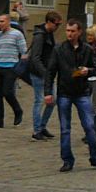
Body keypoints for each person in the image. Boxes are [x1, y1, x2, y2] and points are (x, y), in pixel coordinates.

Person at [43, 19, 96, 172]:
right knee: (65, 128)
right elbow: (50, 72)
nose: (70, 34)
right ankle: (67, 160)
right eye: (68, 31)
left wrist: (88, 71)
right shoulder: (59, 49)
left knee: (90, 126)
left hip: (82, 92)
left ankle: (95, 158)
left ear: (79, 32)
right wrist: (47, 92)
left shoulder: (86, 49)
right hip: (64, 92)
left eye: (73, 31)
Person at [0, 14, 26, 129]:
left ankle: (17, 110)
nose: (0, 23)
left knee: (7, 92)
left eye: (2, 21)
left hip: (11, 66)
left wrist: (20, 67)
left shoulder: (17, 34)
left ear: (8, 22)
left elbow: (24, 51)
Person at [29, 11, 62, 140]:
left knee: (52, 101)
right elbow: (35, 58)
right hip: (38, 73)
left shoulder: (49, 34)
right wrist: (45, 73)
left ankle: (42, 126)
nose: (57, 27)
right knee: (40, 100)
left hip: (46, 73)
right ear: (49, 22)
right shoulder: (40, 36)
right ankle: (37, 130)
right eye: (56, 24)